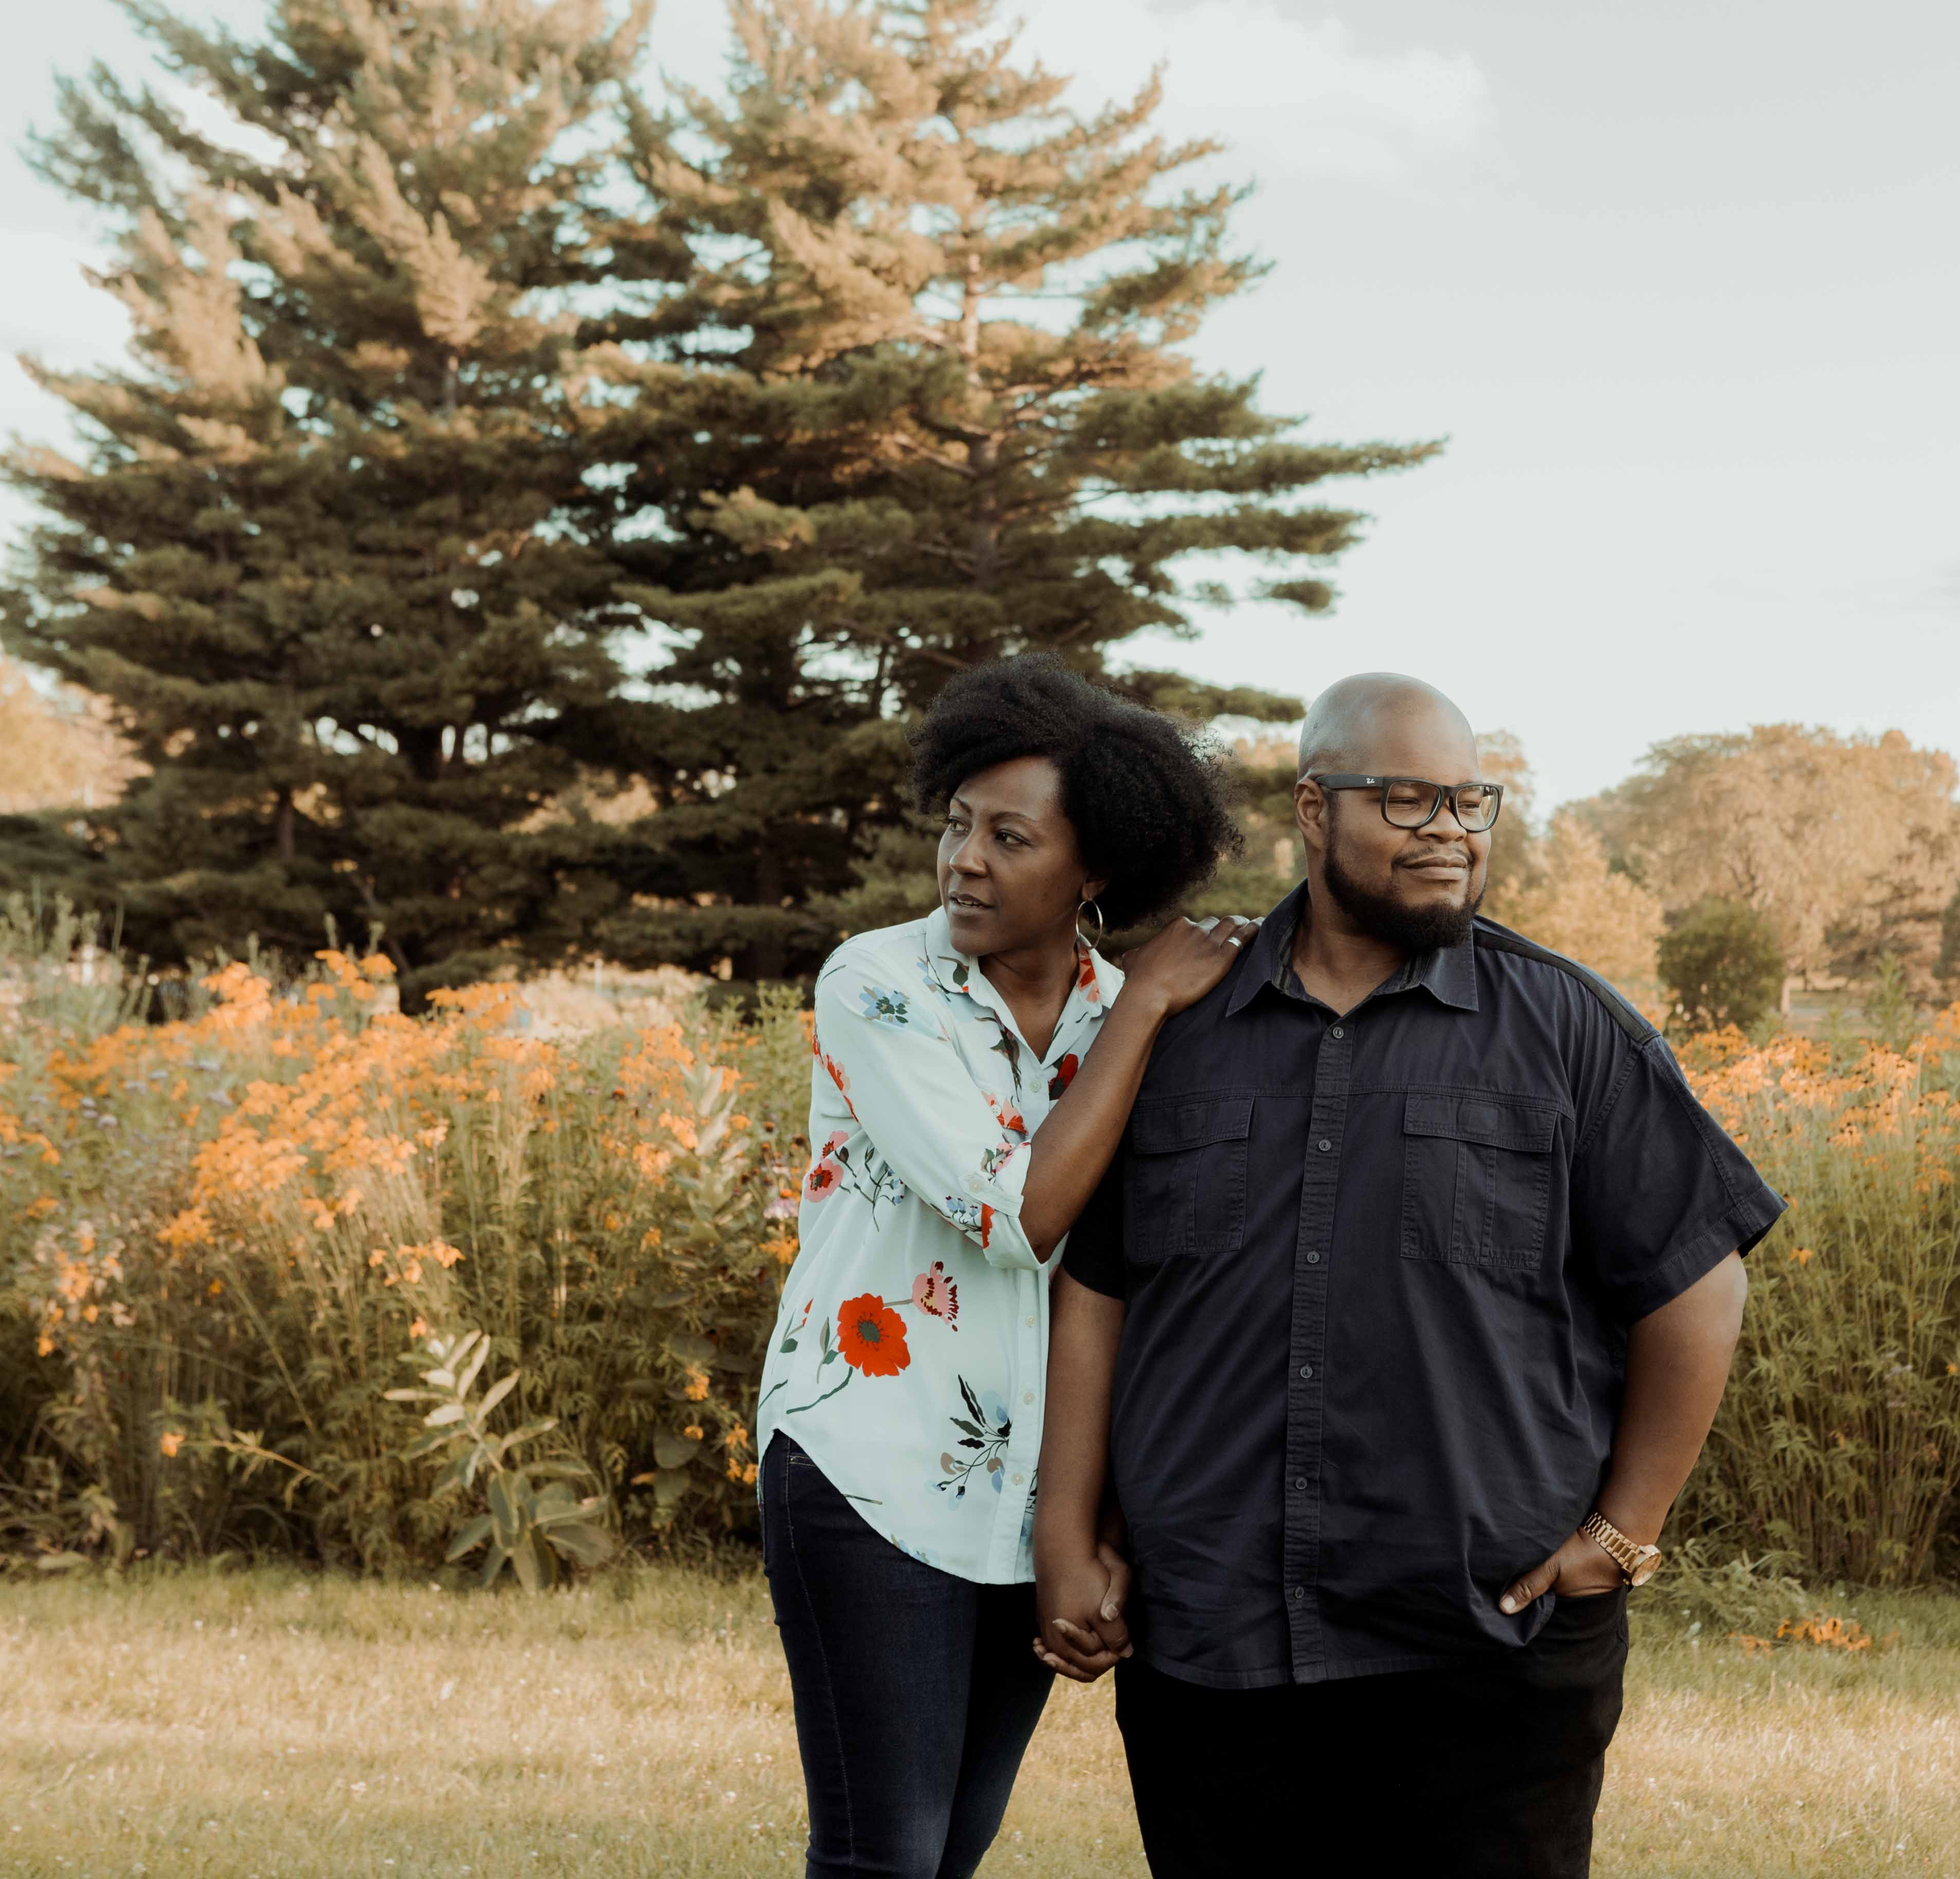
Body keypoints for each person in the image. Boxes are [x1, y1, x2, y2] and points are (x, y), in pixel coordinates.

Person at [1032, 673, 1783, 1879]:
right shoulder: (1175, 1024)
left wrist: (1624, 1534)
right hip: (1217, 1638)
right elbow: (1098, 1289)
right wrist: (1063, 1533)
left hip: (1490, 1644)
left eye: (1471, 802)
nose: (1450, 830)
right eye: (1408, 799)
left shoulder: (1566, 1027)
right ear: (1314, 809)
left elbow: (1697, 1281)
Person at [753, 656, 1258, 1879]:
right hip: (868, 1463)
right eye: (957, 825)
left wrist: (1092, 1531)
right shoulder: (879, 985)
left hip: (1033, 1495)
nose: (964, 860)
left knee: (955, 1844)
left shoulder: (1117, 1014)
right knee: (886, 1850)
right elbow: (1016, 1220)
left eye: (1008, 837)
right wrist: (1146, 1011)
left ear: (1094, 871)